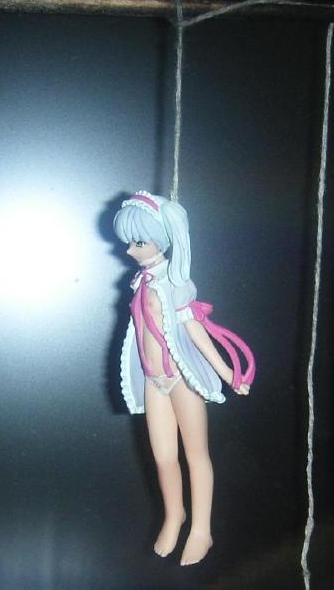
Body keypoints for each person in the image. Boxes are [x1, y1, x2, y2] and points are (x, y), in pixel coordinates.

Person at [113, 191, 254, 566]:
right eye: (129, 242)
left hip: (181, 377)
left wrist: (228, 372)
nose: (129, 250)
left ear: (159, 240)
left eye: (137, 242)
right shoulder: (141, 281)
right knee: (163, 458)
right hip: (153, 379)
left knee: (196, 455)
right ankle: (174, 515)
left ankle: (202, 530)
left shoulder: (175, 283)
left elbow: (196, 331)